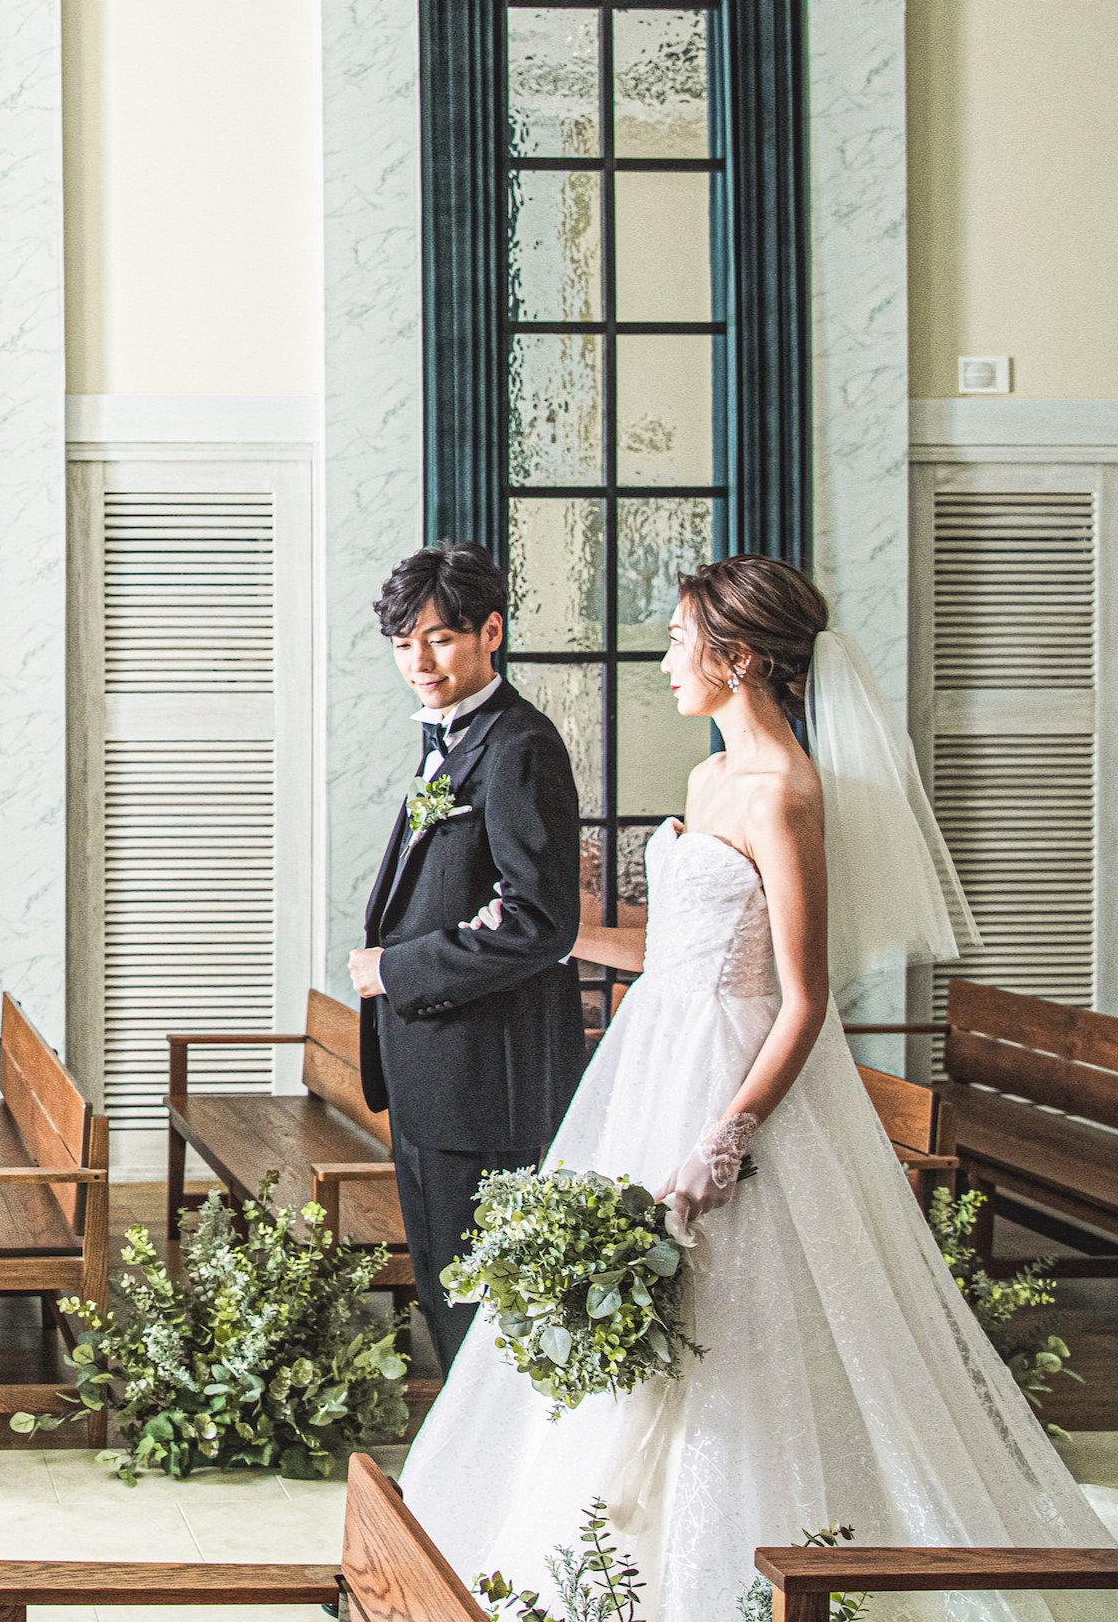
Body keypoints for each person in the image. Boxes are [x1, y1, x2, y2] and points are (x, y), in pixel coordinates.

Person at [398, 555, 1108, 1622]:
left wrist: (724, 1139)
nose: (666, 662)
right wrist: (543, 935)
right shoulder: (709, 778)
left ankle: (745, 1558)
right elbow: (677, 950)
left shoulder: (786, 793)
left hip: (732, 1072)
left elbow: (803, 998)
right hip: (652, 1054)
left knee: (728, 1311)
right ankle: (599, 1536)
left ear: (734, 657)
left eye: (679, 641)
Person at [348, 542, 585, 1371]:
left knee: (484, 1308)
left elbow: (542, 921)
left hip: (486, 1081)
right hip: (433, 1071)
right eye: (403, 643)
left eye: (441, 639)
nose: (419, 662)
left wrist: (395, 970)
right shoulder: (454, 739)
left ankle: (487, 1450)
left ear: (491, 632)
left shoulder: (521, 745)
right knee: (447, 1294)